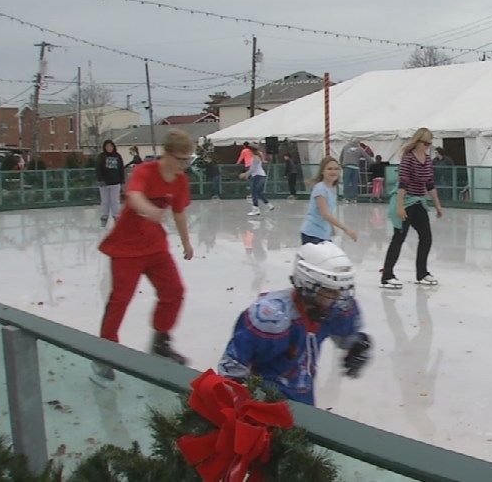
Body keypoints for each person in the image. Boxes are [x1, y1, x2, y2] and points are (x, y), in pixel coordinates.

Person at [92, 129, 196, 384]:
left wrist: (186, 242)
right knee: (120, 299)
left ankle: (160, 341)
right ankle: (104, 355)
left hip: (155, 247)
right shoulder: (145, 171)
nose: (184, 165)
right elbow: (133, 195)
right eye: (181, 159)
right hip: (126, 248)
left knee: (174, 291)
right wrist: (149, 209)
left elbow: (179, 212)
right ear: (167, 155)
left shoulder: (180, 180)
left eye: (188, 160)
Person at [217, 241, 372, 406]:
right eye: (328, 290)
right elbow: (232, 368)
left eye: (340, 290)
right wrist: (243, 402)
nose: (336, 297)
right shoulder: (270, 317)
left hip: (303, 401)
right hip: (264, 403)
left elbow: (346, 336)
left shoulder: (332, 309)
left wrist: (357, 346)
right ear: (307, 285)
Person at [381, 128, 444, 289]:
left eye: (430, 143)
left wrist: (437, 205)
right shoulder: (408, 159)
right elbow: (403, 183)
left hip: (418, 202)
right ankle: (387, 276)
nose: (428, 146)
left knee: (426, 237)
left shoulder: (428, 159)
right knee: (399, 238)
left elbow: (429, 184)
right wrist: (400, 207)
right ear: (417, 142)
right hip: (405, 201)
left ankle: (422, 273)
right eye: (426, 143)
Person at [301, 156, 357, 244]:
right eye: (329, 169)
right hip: (312, 235)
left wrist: (331, 228)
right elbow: (325, 214)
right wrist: (346, 229)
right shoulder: (320, 189)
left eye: (336, 169)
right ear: (323, 171)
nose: (333, 172)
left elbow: (328, 213)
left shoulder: (331, 189)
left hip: (324, 235)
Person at [96, 139, 125, 228]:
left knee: (115, 202)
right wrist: (100, 180)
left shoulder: (118, 156)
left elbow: (121, 169)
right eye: (107, 146)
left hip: (115, 183)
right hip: (104, 184)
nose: (109, 148)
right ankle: (104, 219)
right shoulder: (101, 157)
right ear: (105, 147)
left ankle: (117, 219)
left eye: (111, 146)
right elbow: (98, 169)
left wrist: (122, 180)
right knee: (105, 202)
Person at [241, 145, 273, 216]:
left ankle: (255, 209)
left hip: (258, 177)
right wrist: (247, 174)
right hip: (259, 176)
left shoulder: (255, 158)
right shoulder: (256, 157)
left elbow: (253, 169)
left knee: (254, 192)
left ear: (251, 151)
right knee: (258, 192)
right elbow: (253, 169)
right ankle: (269, 205)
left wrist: (245, 174)